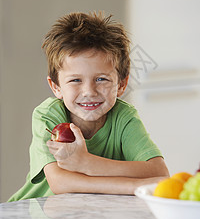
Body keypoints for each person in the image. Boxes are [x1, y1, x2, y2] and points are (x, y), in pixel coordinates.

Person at [8, 11, 169, 202]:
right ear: (56, 87)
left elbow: (159, 172)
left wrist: (88, 164)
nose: (89, 91)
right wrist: (133, 186)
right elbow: (60, 183)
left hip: (91, 218)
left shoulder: (124, 117)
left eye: (101, 79)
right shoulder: (49, 115)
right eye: (75, 80)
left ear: (122, 84)